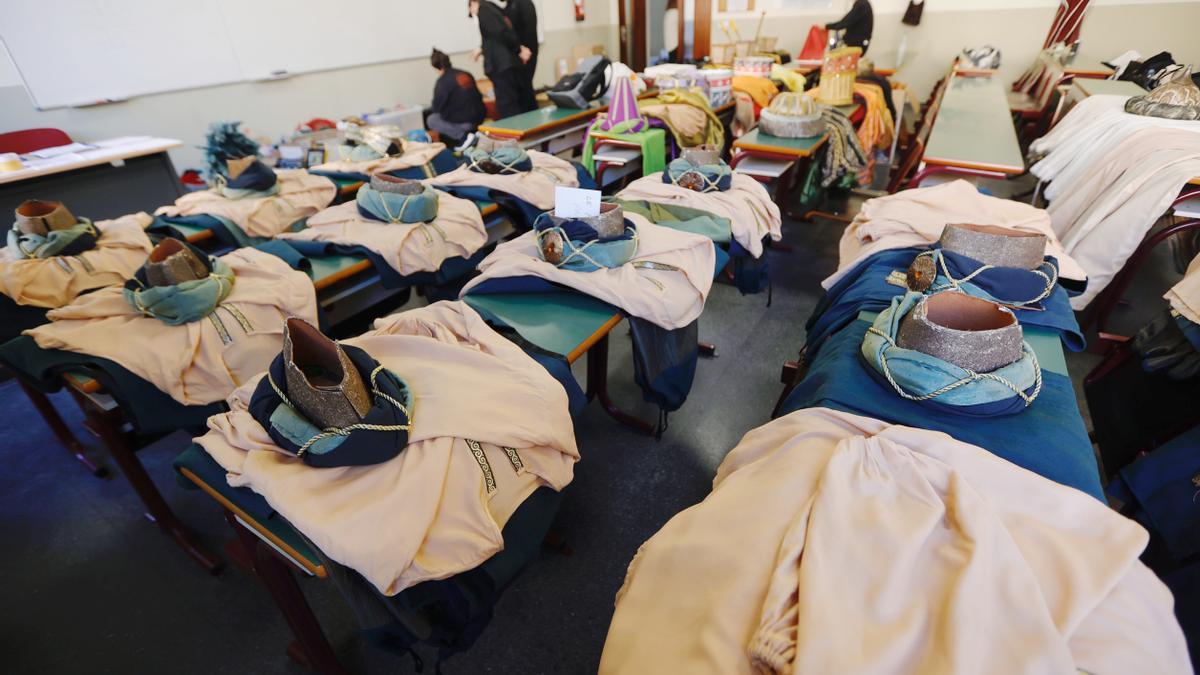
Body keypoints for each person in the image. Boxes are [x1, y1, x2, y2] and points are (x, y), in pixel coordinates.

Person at [469, 0, 533, 120]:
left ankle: (515, 137)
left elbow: (500, 33)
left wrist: (519, 49)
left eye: (471, 12)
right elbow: (496, 36)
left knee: (508, 110)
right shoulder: (493, 9)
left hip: (502, 67)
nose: (472, 14)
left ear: (473, 3)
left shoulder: (483, 10)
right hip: (507, 65)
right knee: (514, 107)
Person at [427, 48, 487, 146]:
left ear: (436, 67)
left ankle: (464, 137)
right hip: (480, 117)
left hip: (465, 123)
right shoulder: (465, 73)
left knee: (432, 119)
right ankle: (472, 135)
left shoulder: (442, 82)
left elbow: (436, 108)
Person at [505, 0, 540, 112]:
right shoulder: (510, 5)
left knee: (526, 92)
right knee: (520, 93)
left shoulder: (524, 3)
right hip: (516, 56)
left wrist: (526, 54)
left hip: (526, 55)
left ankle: (533, 123)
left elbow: (530, 31)